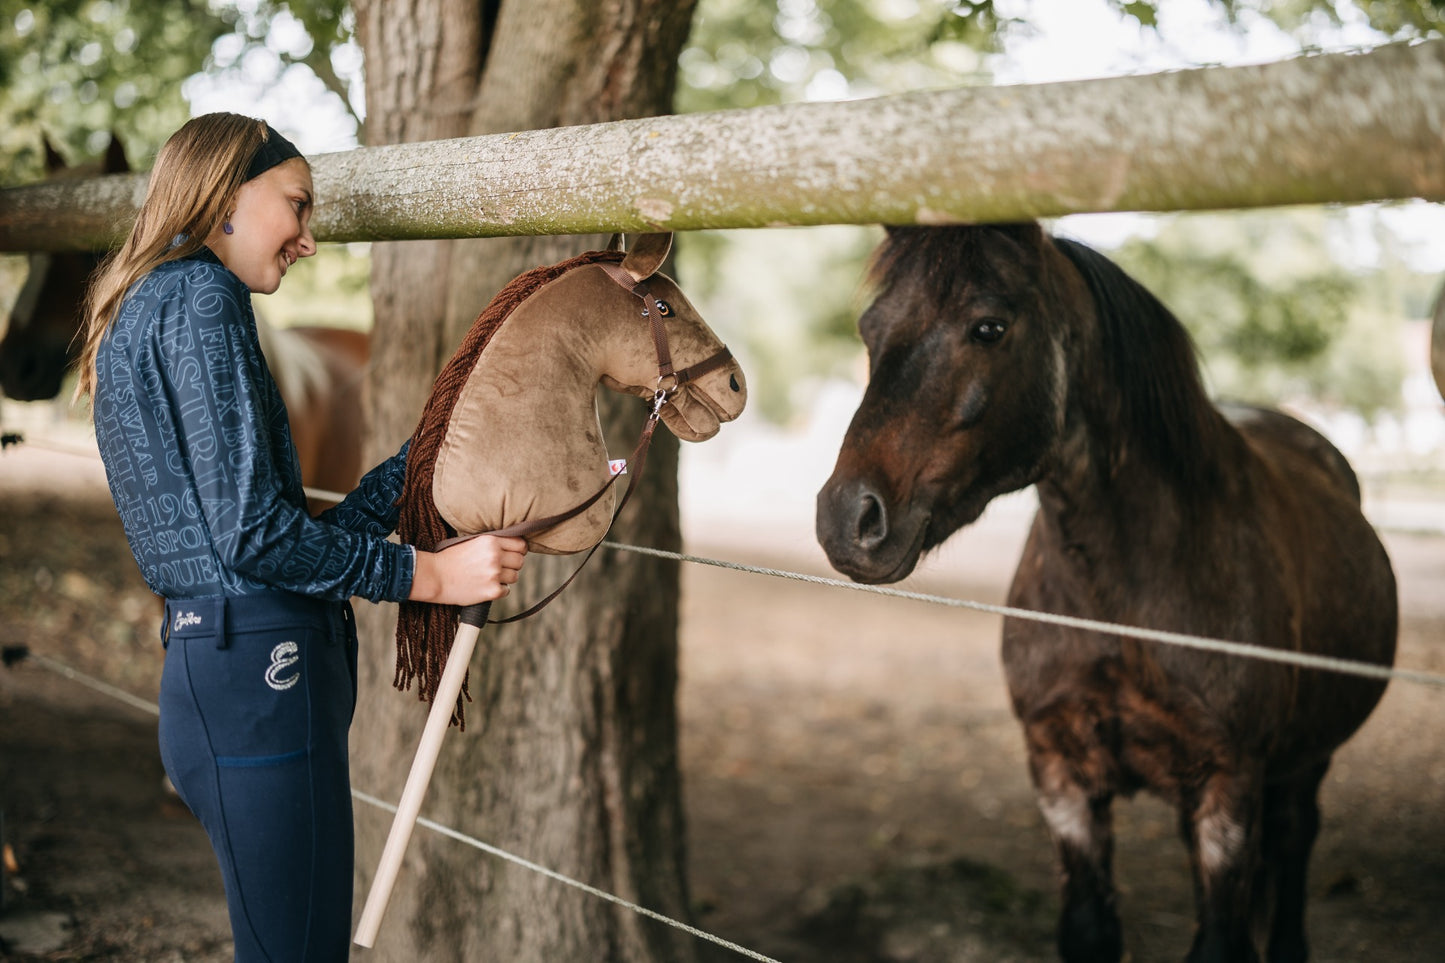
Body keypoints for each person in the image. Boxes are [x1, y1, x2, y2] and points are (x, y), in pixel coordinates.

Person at [74, 112, 527, 961]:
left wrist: (427, 454)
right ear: (228, 192)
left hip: (225, 674)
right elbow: (258, 542)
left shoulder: (150, 302)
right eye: (298, 204)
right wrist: (431, 576)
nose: (309, 239)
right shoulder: (203, 296)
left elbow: (276, 545)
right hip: (260, 686)